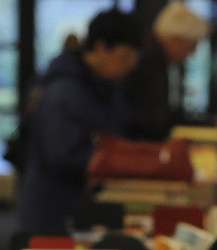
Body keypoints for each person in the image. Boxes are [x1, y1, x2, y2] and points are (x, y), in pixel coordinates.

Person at [17, 8, 142, 237]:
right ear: (101, 48)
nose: (130, 65)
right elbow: (62, 155)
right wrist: (110, 160)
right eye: (126, 56)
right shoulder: (63, 92)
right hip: (52, 214)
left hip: (84, 209)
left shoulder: (106, 88)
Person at [124, 1, 217, 145]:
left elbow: (166, 116)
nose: (192, 53)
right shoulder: (145, 62)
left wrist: (212, 123)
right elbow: (154, 121)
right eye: (193, 44)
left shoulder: (157, 61)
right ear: (177, 39)